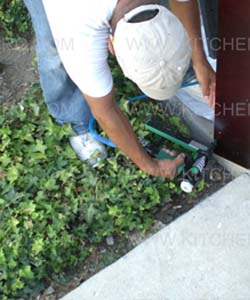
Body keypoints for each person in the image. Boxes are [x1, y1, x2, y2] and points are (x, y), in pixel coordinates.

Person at [23, 0, 216, 179]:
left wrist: (200, 60)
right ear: (111, 46)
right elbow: (104, 110)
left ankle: (177, 65)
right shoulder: (77, 29)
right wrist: (150, 166)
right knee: (52, 45)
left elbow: (184, 2)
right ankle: (76, 122)